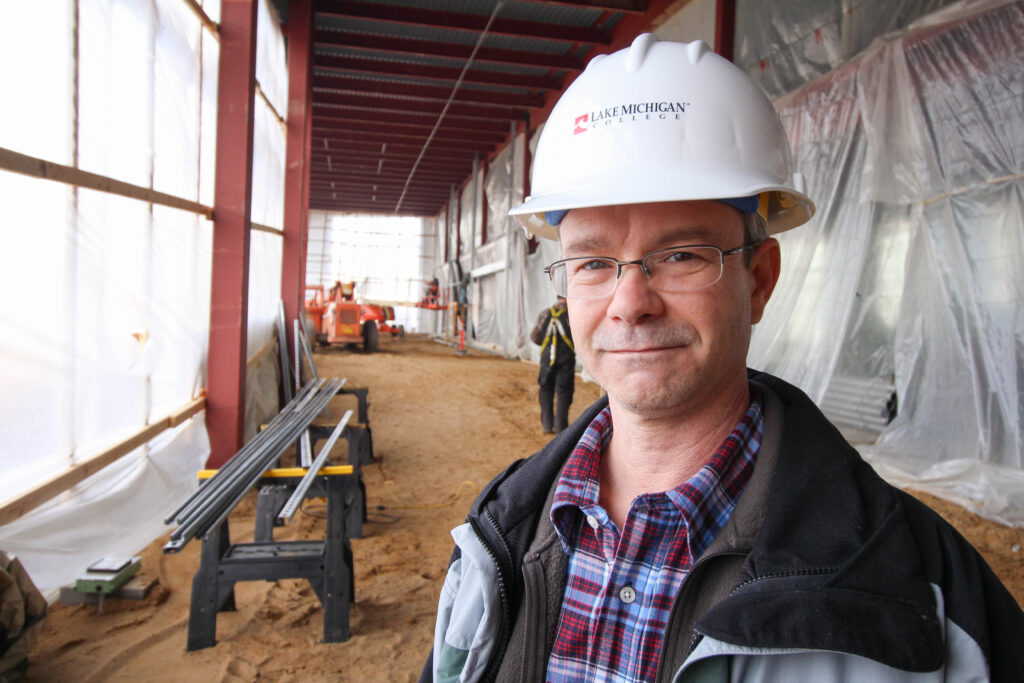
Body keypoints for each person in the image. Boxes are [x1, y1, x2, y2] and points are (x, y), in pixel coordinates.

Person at [421, 34, 1023, 682]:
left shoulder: (925, 598)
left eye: (682, 254)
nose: (630, 303)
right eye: (593, 262)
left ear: (759, 279)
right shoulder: (496, 536)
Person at [530, 298, 575, 434]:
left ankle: (547, 425)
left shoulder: (545, 314)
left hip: (546, 359)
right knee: (564, 393)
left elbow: (534, 337)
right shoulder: (572, 315)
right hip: (565, 359)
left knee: (545, 390)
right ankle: (561, 428)